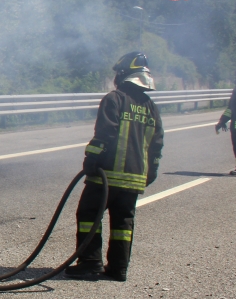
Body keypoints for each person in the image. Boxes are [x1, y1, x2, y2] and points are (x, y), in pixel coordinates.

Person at [66, 52, 164, 282]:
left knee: (89, 214)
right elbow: (157, 143)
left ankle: (90, 262)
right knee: (123, 223)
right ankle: (119, 268)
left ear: (122, 75)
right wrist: (151, 172)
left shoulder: (114, 99)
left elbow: (105, 135)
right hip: (134, 179)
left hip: (106, 177)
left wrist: (91, 160)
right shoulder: (151, 107)